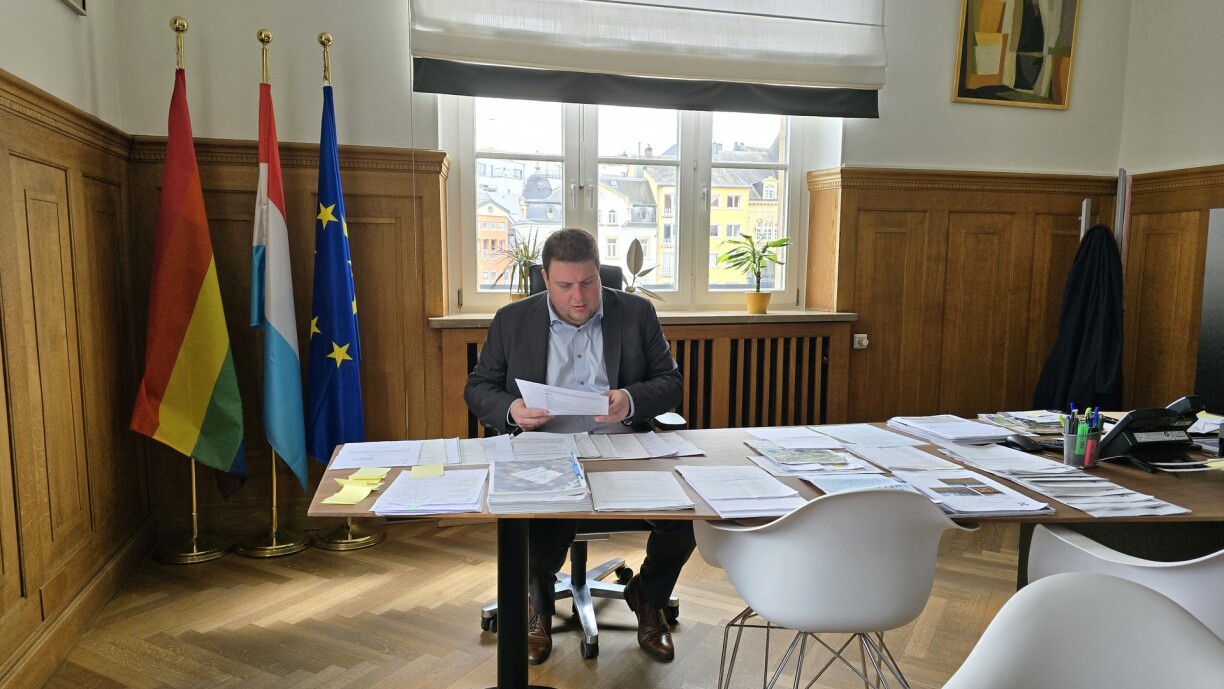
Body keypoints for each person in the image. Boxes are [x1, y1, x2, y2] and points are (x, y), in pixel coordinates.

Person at [465, 228, 692, 664]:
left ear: (599, 273)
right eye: (565, 285)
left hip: (621, 445)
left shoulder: (636, 313)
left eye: (588, 282)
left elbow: (671, 382)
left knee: (686, 516)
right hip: (545, 449)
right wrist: (513, 410)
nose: (579, 296)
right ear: (545, 279)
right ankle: (537, 608)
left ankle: (648, 596)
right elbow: (477, 388)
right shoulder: (512, 320)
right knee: (536, 525)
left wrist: (629, 399)